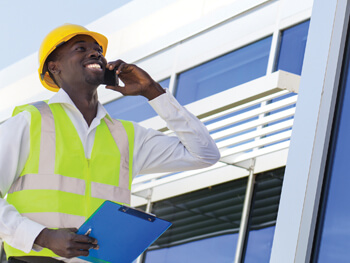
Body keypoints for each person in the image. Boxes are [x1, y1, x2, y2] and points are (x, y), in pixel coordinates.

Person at [0, 24, 220, 263]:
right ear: (55, 67)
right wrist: (42, 236)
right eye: (81, 48)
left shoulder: (126, 136)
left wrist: (153, 91)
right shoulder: (29, 121)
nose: (95, 54)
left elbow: (205, 154)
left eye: (98, 50)